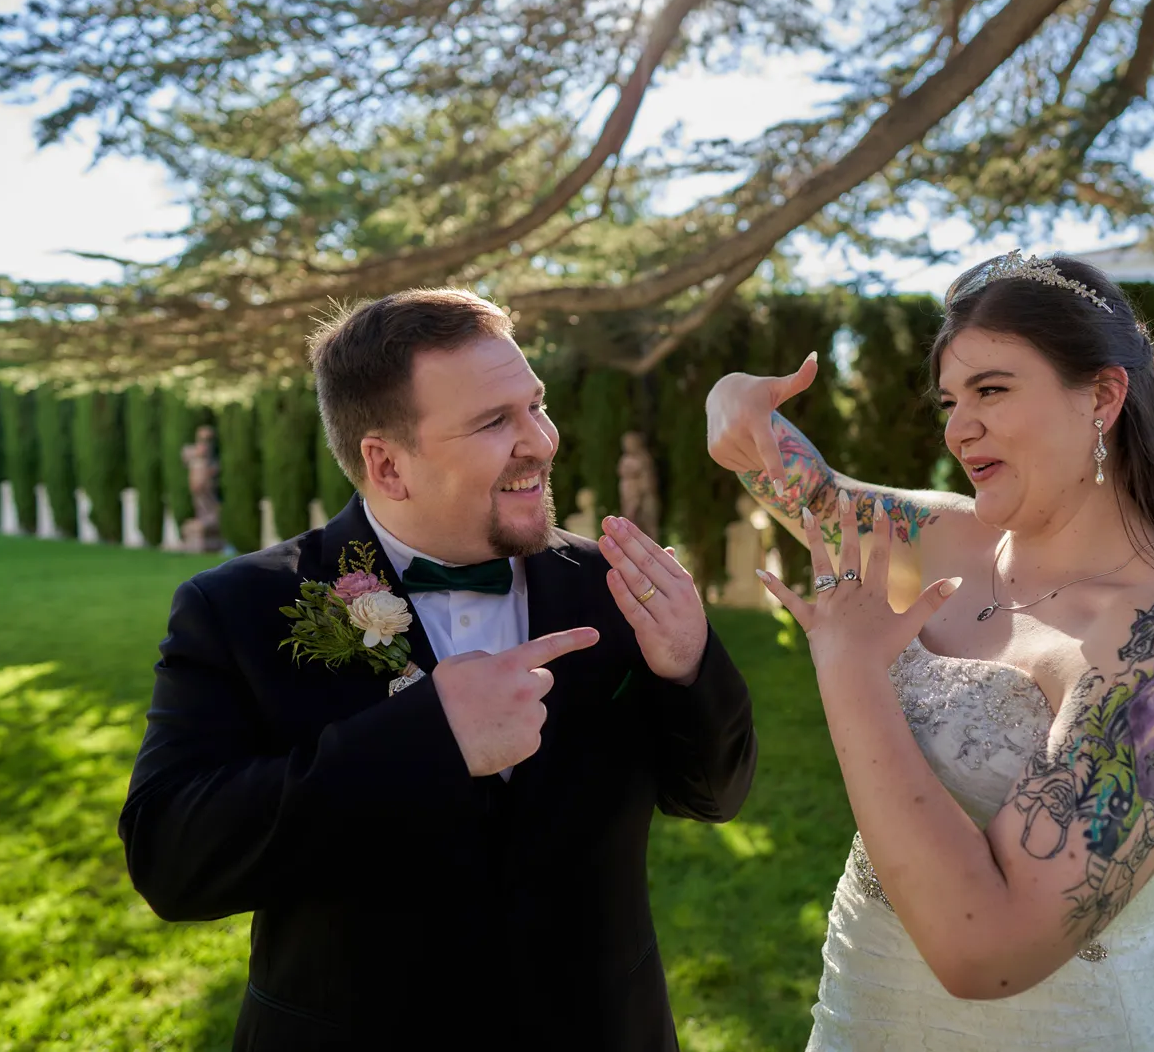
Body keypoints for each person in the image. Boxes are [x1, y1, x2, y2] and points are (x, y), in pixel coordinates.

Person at [120, 288, 758, 1051]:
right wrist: (430, 737)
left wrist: (689, 667)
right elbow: (171, 857)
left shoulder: (611, 583)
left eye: (536, 404)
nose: (544, 441)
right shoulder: (241, 607)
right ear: (387, 465)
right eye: (495, 421)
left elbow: (714, 793)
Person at [705, 251, 1154, 1050]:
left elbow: (986, 955)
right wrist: (730, 399)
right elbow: (803, 487)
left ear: (1102, 396)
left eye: (992, 390)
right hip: (864, 1015)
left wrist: (852, 669)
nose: (958, 427)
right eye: (950, 399)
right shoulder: (953, 537)